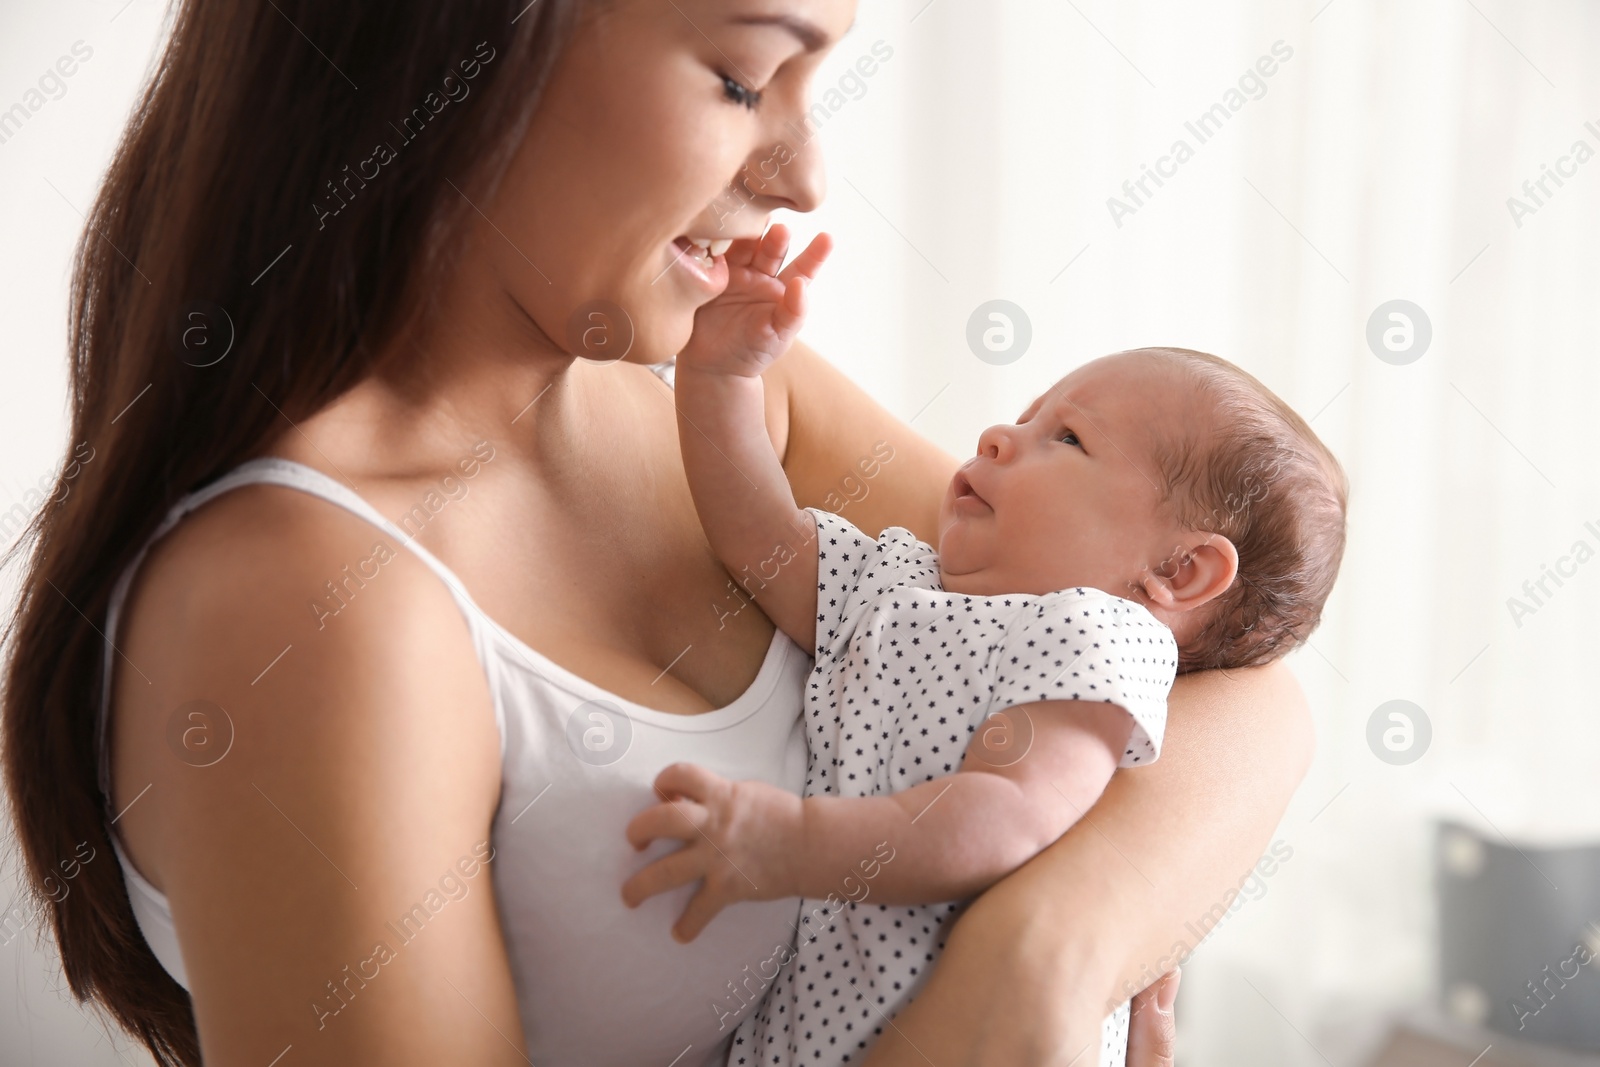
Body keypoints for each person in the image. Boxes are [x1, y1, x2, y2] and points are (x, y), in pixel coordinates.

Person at [0, 2, 1314, 1065]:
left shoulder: (732, 399)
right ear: (464, 47)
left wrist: (1039, 961)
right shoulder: (303, 601)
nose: (802, 173)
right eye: (747, 78)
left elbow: (1232, 683)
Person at [621, 228, 1346, 1065]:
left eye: (1067, 439)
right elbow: (760, 540)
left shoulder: (1095, 640)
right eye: (1027, 414)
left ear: (1178, 570)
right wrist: (721, 376)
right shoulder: (904, 578)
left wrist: (788, 841)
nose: (1001, 434)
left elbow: (1004, 817)